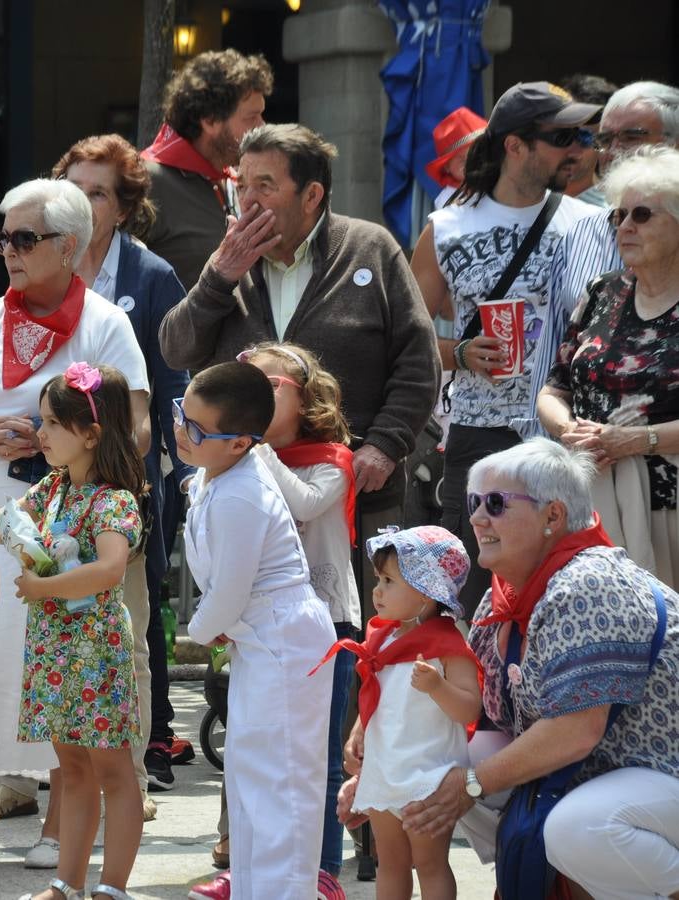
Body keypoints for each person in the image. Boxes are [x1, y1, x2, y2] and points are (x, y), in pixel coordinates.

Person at [0, 178, 150, 867]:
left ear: (68, 246)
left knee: (56, 662)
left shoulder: (104, 323)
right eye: (2, 236)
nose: (8, 251)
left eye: (23, 238)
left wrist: (63, 439)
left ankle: (63, 831)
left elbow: (136, 428)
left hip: (69, 523)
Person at [159, 123, 440, 608]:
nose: (246, 200)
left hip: (354, 491)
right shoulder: (230, 265)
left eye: (264, 186)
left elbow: (419, 363)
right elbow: (176, 349)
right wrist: (218, 277)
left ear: (312, 195)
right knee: (250, 638)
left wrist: (386, 444)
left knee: (359, 633)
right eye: (241, 184)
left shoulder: (370, 248)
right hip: (249, 491)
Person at [387, 439, 679, 900]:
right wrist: (380, 771)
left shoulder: (589, 583)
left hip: (664, 771)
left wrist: (470, 783)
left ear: (553, 517)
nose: (479, 517)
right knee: (432, 771)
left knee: (578, 827)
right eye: (474, 502)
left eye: (497, 503)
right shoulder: (505, 594)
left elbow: (574, 732)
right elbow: (486, 722)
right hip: (617, 774)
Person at [410, 82, 601, 612]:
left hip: (564, 431)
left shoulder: (589, 224)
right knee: (471, 586)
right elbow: (406, 332)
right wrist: (462, 352)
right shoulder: (447, 226)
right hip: (480, 431)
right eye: (562, 136)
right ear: (514, 145)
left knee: (563, 582)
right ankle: (476, 692)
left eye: (580, 135)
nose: (577, 149)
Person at [54, 133, 192, 802]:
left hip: (131, 476)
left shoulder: (151, 276)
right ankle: (55, 768)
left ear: (122, 204)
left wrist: (174, 473)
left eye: (97, 192)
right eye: (74, 189)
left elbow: (170, 384)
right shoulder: (41, 266)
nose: (83, 203)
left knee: (135, 620)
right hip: (52, 477)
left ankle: (148, 746)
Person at [0, 363, 145, 900]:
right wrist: (20, 535)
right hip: (56, 651)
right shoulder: (54, 486)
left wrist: (43, 586)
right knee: (71, 766)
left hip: (95, 651)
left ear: (91, 434)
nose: (41, 434)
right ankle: (66, 882)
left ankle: (113, 886)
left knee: (114, 770)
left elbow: (109, 569)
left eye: (52, 423)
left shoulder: (112, 498)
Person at [176, 361, 333, 900]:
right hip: (259, 635)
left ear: (241, 442)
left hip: (284, 638)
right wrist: (224, 625)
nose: (182, 433)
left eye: (196, 429)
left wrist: (205, 627)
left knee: (281, 783)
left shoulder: (241, 491)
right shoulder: (215, 475)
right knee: (248, 777)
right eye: (182, 416)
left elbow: (227, 594)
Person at [238, 342, 360, 879]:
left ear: (303, 396)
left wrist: (257, 450)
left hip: (326, 622)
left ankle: (324, 873)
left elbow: (305, 504)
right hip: (265, 622)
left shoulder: (333, 460)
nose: (253, 398)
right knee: (265, 751)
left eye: (267, 387)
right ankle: (270, 867)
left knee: (321, 755)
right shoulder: (243, 457)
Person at [538, 145, 679, 587]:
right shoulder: (603, 290)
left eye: (641, 215)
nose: (625, 227)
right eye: (618, 216)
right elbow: (554, 388)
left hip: (670, 504)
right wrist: (570, 432)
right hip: (592, 495)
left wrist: (636, 440)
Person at [323, 527, 480, 900]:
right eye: (379, 579)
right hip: (386, 769)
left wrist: (438, 688)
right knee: (388, 862)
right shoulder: (382, 639)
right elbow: (378, 697)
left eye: (389, 580)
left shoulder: (447, 643)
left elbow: (470, 707)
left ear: (427, 591)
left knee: (430, 863)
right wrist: (359, 731)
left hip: (428, 773)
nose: (377, 590)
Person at [525, 80, 679, 441]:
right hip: (585, 470)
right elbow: (552, 369)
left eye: (631, 136)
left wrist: (640, 441)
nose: (615, 151)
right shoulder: (578, 233)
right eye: (606, 139)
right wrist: (556, 441)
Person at [141, 49, 273, 291]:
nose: (262, 126)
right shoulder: (148, 182)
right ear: (210, 120)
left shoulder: (232, 178)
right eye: (252, 117)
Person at [557, 73, 618, 207]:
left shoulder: (612, 213)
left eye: (584, 136)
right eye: (562, 134)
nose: (571, 148)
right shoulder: (519, 197)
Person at [425, 107, 486, 208]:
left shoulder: (498, 185)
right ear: (446, 167)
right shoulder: (447, 199)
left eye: (475, 154)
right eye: (460, 158)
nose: (468, 161)